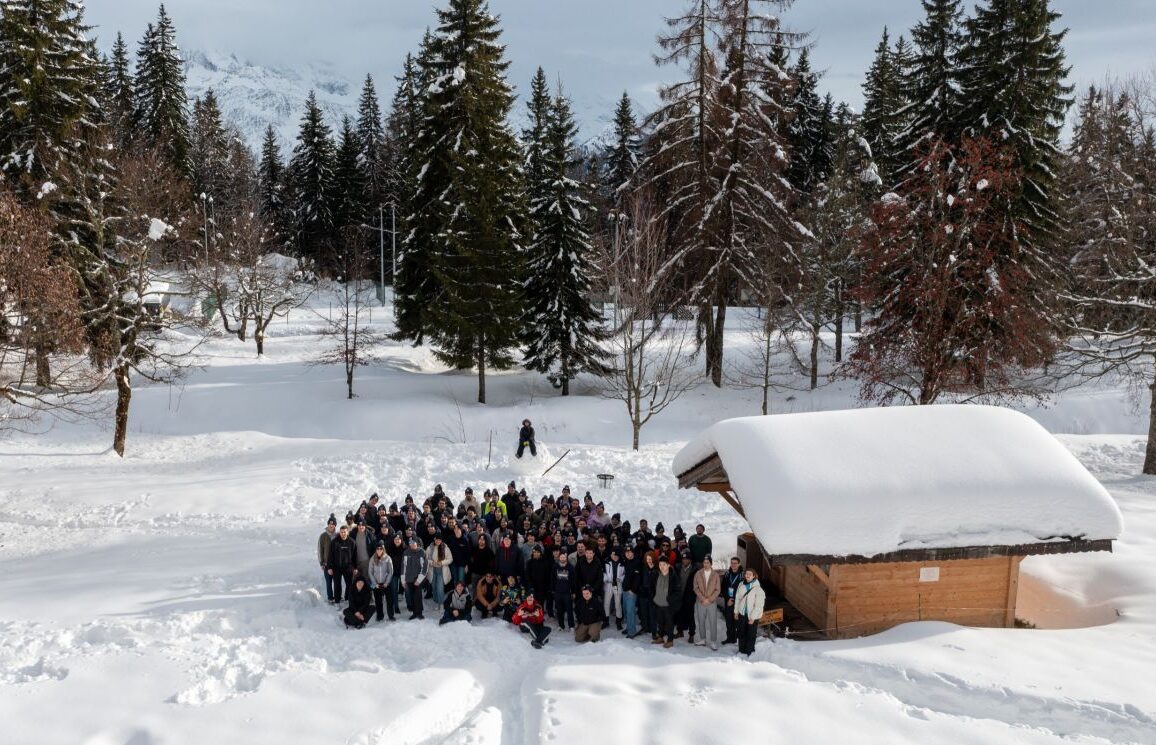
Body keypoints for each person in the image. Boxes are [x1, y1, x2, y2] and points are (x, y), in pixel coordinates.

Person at [734, 568, 766, 656]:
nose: (747, 576)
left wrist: (752, 617)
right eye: (746, 574)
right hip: (742, 614)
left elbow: (759, 605)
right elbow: (737, 599)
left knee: (751, 634)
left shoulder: (758, 588)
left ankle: (749, 652)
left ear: (754, 576)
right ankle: (741, 650)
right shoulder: (741, 584)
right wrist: (736, 612)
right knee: (741, 632)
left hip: (752, 616)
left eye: (750, 574)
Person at [693, 556, 721, 649]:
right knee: (701, 621)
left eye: (707, 562)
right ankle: (702, 639)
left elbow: (718, 589)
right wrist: (702, 598)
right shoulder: (698, 573)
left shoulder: (715, 575)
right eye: (704, 562)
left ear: (711, 564)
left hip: (711, 602)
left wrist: (709, 599)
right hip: (700, 601)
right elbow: (695, 587)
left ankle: (713, 641)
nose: (706, 564)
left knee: (712, 621)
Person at [651, 556, 678, 648]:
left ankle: (670, 640)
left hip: (668, 604)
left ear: (668, 565)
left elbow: (677, 591)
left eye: (664, 565)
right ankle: (661, 637)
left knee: (669, 623)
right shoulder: (656, 574)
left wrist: (670, 600)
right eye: (660, 564)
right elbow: (652, 587)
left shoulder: (673, 576)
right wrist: (653, 597)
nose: (661, 567)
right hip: (658, 603)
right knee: (660, 622)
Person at [327, 524, 356, 604]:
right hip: (337, 567)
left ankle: (347, 598)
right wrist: (329, 567)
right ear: (339, 532)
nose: (343, 533)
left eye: (344, 532)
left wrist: (355, 567)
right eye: (341, 532)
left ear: (347, 532)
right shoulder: (334, 542)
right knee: (337, 585)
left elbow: (355, 556)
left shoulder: (352, 542)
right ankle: (337, 600)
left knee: (349, 584)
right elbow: (330, 555)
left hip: (348, 567)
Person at [401, 537, 429, 619]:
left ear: (417, 543)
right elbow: (403, 566)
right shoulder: (406, 552)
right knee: (412, 596)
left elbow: (425, 568)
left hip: (418, 578)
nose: (412, 545)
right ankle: (414, 613)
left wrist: (419, 580)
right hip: (409, 578)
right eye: (410, 543)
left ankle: (419, 613)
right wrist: (403, 580)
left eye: (414, 543)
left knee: (418, 596)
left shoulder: (422, 552)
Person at [368, 540, 395, 622]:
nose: (379, 550)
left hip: (386, 583)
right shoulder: (372, 558)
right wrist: (374, 583)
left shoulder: (387, 558)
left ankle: (391, 615)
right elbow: (370, 572)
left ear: (383, 549)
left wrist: (387, 582)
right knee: (378, 601)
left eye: (381, 548)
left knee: (389, 600)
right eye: (378, 548)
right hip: (377, 584)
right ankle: (380, 616)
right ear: (376, 549)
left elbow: (390, 571)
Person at [425, 532, 453, 606]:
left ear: (441, 540)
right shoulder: (430, 548)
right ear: (434, 539)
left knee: (440, 588)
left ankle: (440, 603)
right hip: (432, 570)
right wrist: (432, 562)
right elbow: (425, 559)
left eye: (439, 540)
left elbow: (450, 559)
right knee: (434, 586)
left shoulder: (445, 548)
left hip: (441, 571)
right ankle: (436, 600)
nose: (438, 541)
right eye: (437, 540)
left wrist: (442, 562)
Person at [721, 557, 744, 645]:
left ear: (739, 564)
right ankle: (730, 638)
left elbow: (744, 590)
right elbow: (723, 587)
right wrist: (727, 598)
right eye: (732, 563)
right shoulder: (727, 574)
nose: (733, 565)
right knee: (729, 621)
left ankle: (739, 640)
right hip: (728, 601)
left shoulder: (743, 575)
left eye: (735, 563)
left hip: (738, 602)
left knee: (738, 621)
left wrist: (734, 600)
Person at [551, 550, 575, 630]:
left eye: (564, 557)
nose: (562, 559)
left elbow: (573, 581)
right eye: (561, 557)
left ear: (566, 557)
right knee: (559, 610)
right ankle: (561, 625)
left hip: (567, 592)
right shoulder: (555, 566)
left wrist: (573, 592)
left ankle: (571, 626)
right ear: (559, 558)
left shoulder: (570, 567)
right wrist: (553, 590)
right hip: (558, 592)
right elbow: (552, 579)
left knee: (569, 610)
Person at [602, 548, 625, 630]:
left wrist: (620, 579)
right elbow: (603, 572)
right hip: (608, 584)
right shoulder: (606, 562)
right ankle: (606, 621)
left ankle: (618, 621)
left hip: (618, 585)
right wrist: (606, 579)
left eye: (616, 555)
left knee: (618, 604)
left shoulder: (622, 563)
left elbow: (624, 574)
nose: (614, 556)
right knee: (606, 603)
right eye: (612, 555)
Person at [621, 545, 641, 637]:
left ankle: (632, 631)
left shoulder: (637, 562)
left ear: (633, 552)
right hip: (625, 590)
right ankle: (629, 627)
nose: (628, 554)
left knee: (630, 611)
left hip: (631, 592)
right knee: (626, 610)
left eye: (629, 552)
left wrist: (633, 590)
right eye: (626, 552)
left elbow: (637, 578)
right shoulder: (626, 561)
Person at [318, 514, 337, 604]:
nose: (331, 525)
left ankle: (337, 596)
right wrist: (321, 563)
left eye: (333, 524)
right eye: (330, 524)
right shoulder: (323, 536)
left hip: (336, 563)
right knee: (328, 582)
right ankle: (330, 598)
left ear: (335, 525)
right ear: (328, 524)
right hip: (326, 563)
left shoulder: (337, 535)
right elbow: (320, 550)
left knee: (336, 582)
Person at [638, 551, 657, 638]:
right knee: (644, 613)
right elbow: (640, 579)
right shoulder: (644, 568)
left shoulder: (657, 568)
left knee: (653, 615)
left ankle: (654, 632)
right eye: (647, 559)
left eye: (650, 559)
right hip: (643, 594)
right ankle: (645, 628)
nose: (649, 560)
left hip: (653, 595)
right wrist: (641, 588)